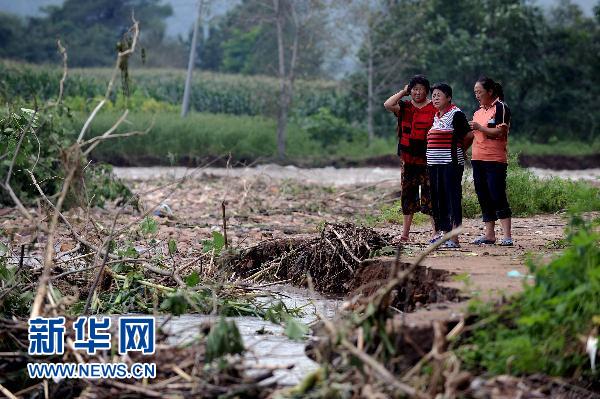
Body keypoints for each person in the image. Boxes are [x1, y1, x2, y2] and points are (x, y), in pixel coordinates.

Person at [383, 75, 437, 242]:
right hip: (408, 160)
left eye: (420, 89)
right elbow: (387, 104)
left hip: (429, 160)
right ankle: (405, 234)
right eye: (414, 89)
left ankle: (436, 233)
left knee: (431, 196)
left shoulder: (434, 108)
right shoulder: (404, 107)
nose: (417, 92)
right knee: (407, 196)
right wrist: (403, 91)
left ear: (427, 91)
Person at [468, 77, 513, 246]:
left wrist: (480, 128)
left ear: (490, 91)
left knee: (497, 194)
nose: (477, 95)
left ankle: (507, 235)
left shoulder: (501, 107)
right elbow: (473, 135)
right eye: (475, 93)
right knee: (483, 195)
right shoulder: (478, 112)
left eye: (479, 92)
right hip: (477, 158)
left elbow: (500, 132)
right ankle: (489, 234)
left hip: (495, 159)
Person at [427, 83, 471, 248]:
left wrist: (460, 150)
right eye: (434, 95)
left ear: (449, 97)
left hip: (450, 163)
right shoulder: (436, 116)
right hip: (434, 164)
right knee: (439, 199)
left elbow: (469, 135)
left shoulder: (456, 114)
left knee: (452, 198)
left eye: (439, 95)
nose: (435, 98)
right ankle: (445, 235)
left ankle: (455, 238)